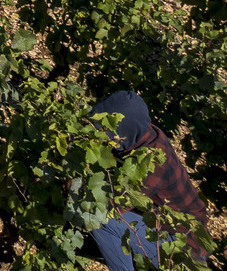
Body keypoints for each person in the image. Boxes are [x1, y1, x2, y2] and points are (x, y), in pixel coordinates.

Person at [87, 92, 210, 271]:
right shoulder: (142, 133)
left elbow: (113, 207)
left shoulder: (151, 163)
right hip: (163, 227)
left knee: (98, 218)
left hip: (182, 248)